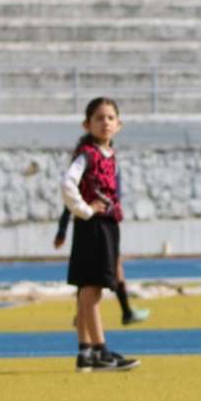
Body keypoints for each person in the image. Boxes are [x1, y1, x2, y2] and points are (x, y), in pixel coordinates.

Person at [61, 97, 140, 373]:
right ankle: (100, 350)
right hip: (93, 225)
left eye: (110, 118)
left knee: (87, 289)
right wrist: (84, 209)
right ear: (87, 124)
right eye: (99, 118)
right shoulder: (87, 155)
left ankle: (85, 352)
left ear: (119, 125)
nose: (105, 122)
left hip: (106, 225)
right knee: (92, 289)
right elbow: (68, 183)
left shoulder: (109, 156)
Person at [56, 206, 149, 327]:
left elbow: (70, 202)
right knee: (94, 273)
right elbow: (71, 200)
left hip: (99, 224)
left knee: (102, 268)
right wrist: (62, 230)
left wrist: (62, 230)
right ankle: (122, 313)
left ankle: (125, 312)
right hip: (96, 225)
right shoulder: (90, 189)